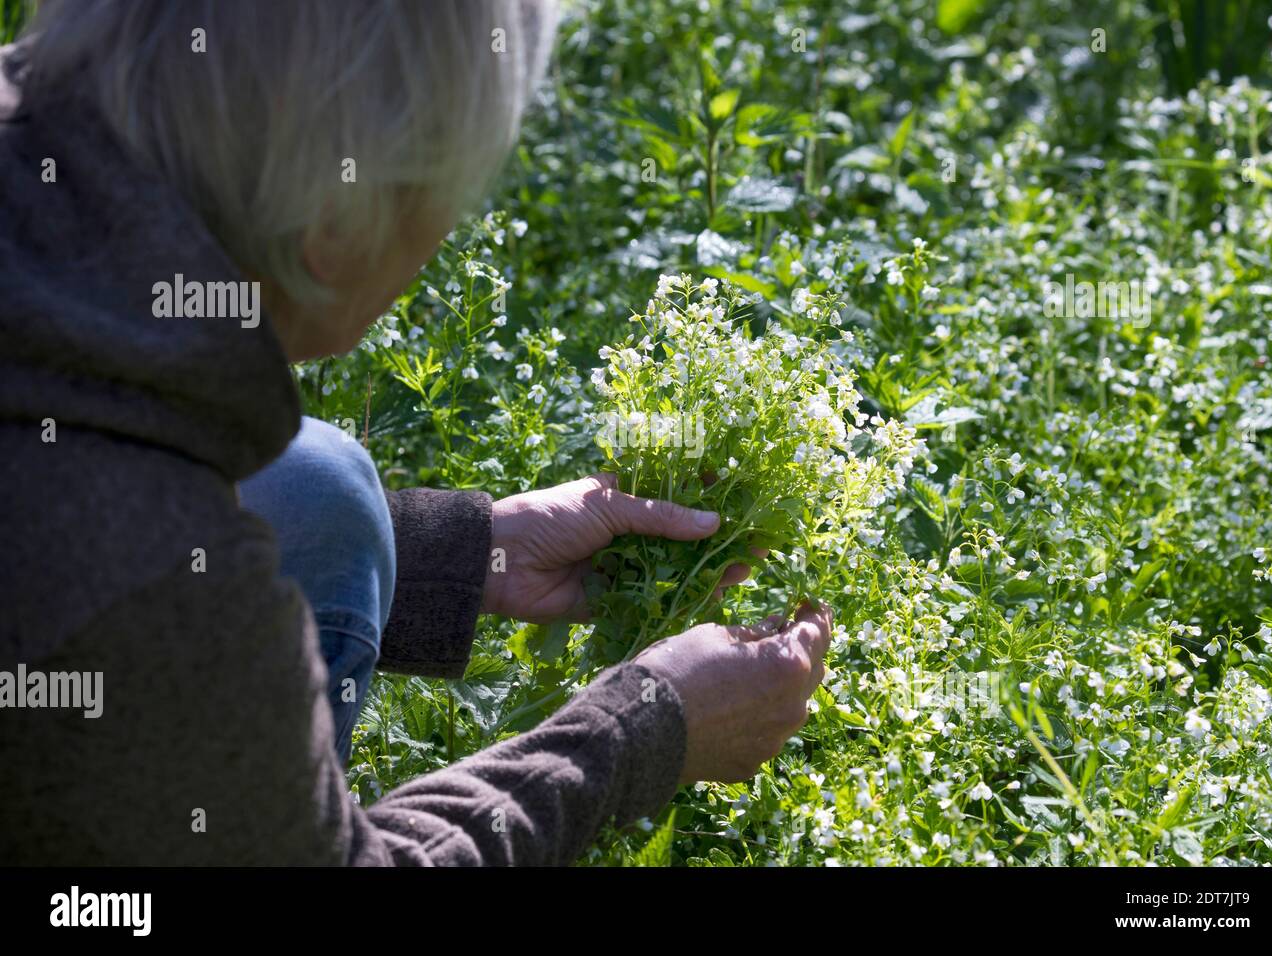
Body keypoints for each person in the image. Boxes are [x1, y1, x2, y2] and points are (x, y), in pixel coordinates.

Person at [0, 0, 831, 865]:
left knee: (318, 489)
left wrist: (472, 557)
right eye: (452, 194)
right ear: (336, 222)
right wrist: (646, 726)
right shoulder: (134, 576)